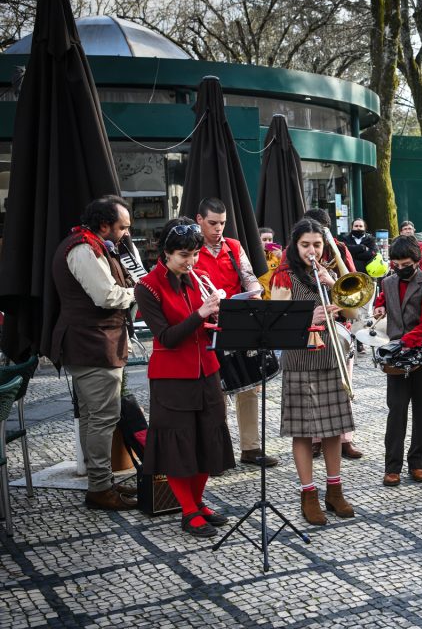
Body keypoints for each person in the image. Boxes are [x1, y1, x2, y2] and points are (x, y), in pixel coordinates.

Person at [135, 219, 234, 537]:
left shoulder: (199, 277)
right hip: (172, 376)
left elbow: (205, 329)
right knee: (179, 445)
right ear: (165, 253)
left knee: (209, 436)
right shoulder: (147, 286)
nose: (190, 262)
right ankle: (188, 510)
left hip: (207, 369)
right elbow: (166, 336)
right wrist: (200, 315)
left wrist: (217, 317)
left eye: (194, 254)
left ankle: (199, 501)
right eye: (183, 255)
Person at [50, 196, 137, 511]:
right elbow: (106, 296)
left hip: (93, 341)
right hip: (92, 343)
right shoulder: (83, 249)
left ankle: (101, 481)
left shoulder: (91, 245)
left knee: (92, 416)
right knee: (103, 417)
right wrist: (138, 291)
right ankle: (100, 488)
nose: (126, 232)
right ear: (104, 225)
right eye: (122, 227)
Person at [270, 219, 356, 524]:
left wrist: (333, 285)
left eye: (317, 245)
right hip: (299, 359)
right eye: (305, 245)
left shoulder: (328, 274)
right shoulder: (283, 277)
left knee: (334, 428)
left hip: (330, 356)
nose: (312, 250)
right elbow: (275, 324)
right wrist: (309, 315)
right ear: (295, 245)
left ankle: (335, 491)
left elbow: (354, 313)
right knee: (303, 430)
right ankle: (308, 494)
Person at [194, 197, 278, 468]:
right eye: (213, 223)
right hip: (206, 326)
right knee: (215, 391)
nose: (218, 228)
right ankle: (218, 452)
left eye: (222, 223)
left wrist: (254, 293)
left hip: (237, 320)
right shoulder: (191, 248)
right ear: (199, 220)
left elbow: (248, 275)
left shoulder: (233, 246)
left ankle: (251, 448)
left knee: (249, 386)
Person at [372, 235, 422, 485]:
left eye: (405, 264)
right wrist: (379, 308)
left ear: (418, 261)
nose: (400, 269)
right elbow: (382, 302)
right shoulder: (388, 282)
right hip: (396, 355)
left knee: (421, 410)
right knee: (396, 410)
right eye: (395, 265)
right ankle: (392, 466)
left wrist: (402, 343)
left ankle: (418, 462)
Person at [302, 207, 362, 459]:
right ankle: (316, 438)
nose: (315, 245)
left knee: (343, 385)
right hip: (312, 327)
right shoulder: (296, 250)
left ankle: (344, 438)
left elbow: (352, 280)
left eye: (321, 237)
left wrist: (332, 278)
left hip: (339, 324)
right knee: (313, 387)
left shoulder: (339, 247)